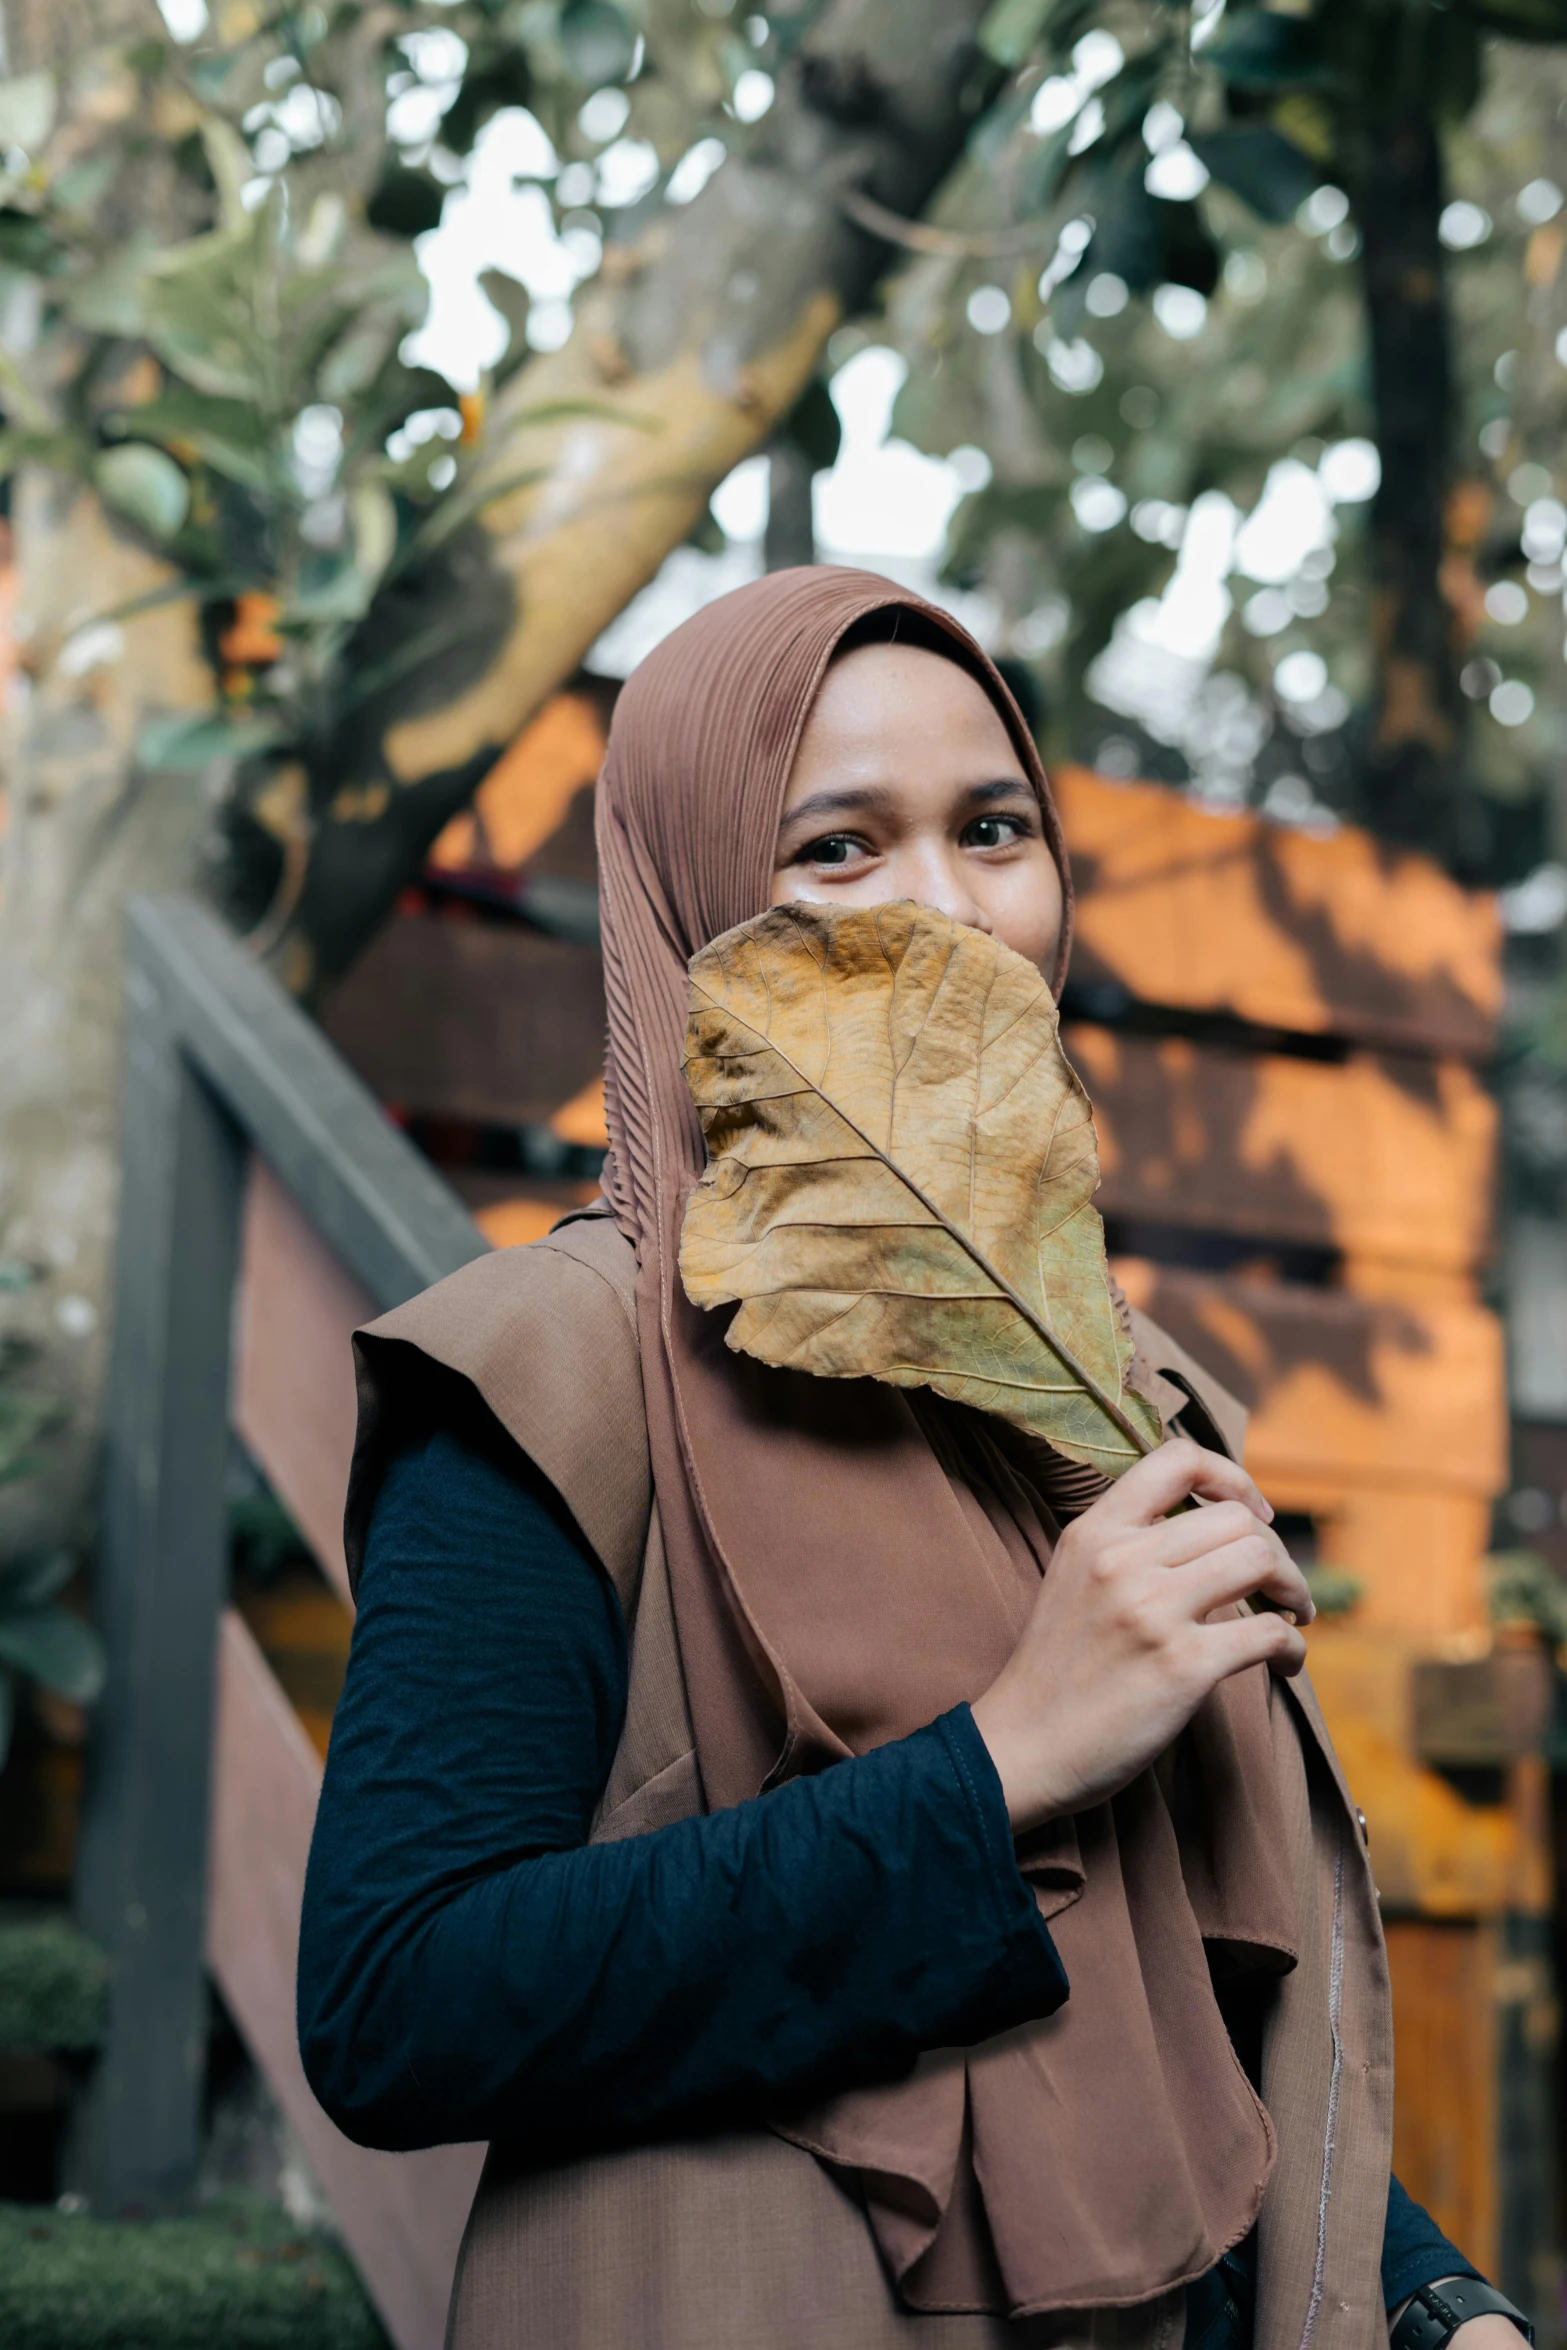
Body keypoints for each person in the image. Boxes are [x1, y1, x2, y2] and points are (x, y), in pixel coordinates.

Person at [298, 569, 1530, 2350]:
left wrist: (1428, 2300)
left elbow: (1184, 1987)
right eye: (838, 850)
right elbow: (395, 2002)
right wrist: (1004, 1759)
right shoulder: (553, 1367)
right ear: (690, 897)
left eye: (993, 828)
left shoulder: (1126, 1404)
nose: (946, 911)